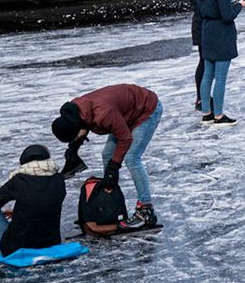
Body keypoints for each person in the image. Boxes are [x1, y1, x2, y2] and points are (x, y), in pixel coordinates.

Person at [53, 83, 167, 229]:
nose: (74, 140)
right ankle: (112, 204)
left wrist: (114, 167)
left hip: (146, 109)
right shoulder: (75, 111)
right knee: (107, 154)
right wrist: (73, 149)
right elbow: (83, 125)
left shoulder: (103, 114)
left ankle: (146, 211)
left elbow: (125, 138)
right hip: (124, 113)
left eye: (73, 138)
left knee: (132, 158)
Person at [0, 143, 66, 257]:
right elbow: (44, 204)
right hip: (51, 243)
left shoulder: (20, 179)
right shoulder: (59, 180)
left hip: (16, 247)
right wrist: (18, 213)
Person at [195, 0, 245, 128]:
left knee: (208, 75)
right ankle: (219, 116)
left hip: (207, 33)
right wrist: (239, 5)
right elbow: (227, 16)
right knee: (221, 78)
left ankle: (207, 114)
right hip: (221, 36)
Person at [186, 0, 224, 115]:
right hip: (202, 24)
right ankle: (201, 99)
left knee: (207, 61)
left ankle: (203, 97)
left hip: (205, 22)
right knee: (205, 61)